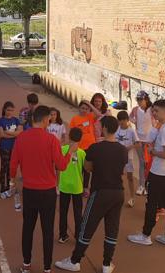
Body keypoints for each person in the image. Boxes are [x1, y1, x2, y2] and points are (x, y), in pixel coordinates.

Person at [55, 116, 128, 273]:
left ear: (105, 128)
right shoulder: (122, 149)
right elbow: (121, 171)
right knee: (112, 228)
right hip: (118, 193)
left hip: (100, 192)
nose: (97, 128)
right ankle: (107, 264)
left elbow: (88, 168)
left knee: (86, 226)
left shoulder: (95, 148)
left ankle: (75, 260)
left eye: (99, 126)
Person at [10, 106, 78, 273]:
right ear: (46, 119)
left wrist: (14, 183)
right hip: (47, 192)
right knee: (47, 230)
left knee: (28, 228)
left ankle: (26, 264)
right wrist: (70, 151)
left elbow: (12, 167)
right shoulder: (51, 140)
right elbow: (61, 166)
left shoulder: (21, 138)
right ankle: (47, 267)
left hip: (29, 190)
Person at [127, 99, 165, 248]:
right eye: (153, 111)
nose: (154, 114)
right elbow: (150, 138)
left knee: (151, 203)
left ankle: (145, 235)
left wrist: (152, 151)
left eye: (156, 111)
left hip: (159, 173)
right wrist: (156, 127)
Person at [57, 128, 86, 244]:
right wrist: (85, 186)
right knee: (78, 213)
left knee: (63, 211)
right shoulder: (82, 153)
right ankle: (78, 235)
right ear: (81, 138)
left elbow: (58, 166)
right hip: (77, 186)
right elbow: (86, 171)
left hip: (64, 186)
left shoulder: (63, 149)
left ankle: (62, 235)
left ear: (69, 137)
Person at [129, 90, 154, 195]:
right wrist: (134, 121)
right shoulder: (135, 110)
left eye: (141, 100)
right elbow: (130, 117)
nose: (139, 102)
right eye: (138, 100)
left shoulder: (152, 110)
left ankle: (148, 185)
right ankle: (141, 185)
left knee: (149, 163)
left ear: (146, 99)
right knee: (142, 162)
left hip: (150, 141)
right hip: (139, 140)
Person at [69, 101, 96, 196]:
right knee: (76, 166)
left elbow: (98, 114)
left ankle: (85, 188)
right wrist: (71, 147)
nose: (84, 110)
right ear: (79, 108)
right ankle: (78, 186)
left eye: (86, 109)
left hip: (90, 147)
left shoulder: (90, 117)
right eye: (82, 108)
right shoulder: (74, 119)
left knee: (87, 168)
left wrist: (89, 104)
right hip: (78, 148)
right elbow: (71, 134)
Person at [0, 101, 22, 199]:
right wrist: (13, 134)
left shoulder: (16, 120)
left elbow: (19, 133)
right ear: (4, 110)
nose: (10, 112)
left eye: (12, 110)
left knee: (11, 168)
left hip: (14, 147)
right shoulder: (0, 121)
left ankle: (9, 187)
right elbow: (2, 135)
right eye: (8, 110)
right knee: (4, 167)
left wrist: (8, 132)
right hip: (4, 147)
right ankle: (3, 188)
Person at [116, 110, 139, 208]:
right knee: (117, 176)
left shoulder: (131, 131)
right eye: (120, 120)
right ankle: (117, 197)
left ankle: (132, 197)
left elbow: (138, 143)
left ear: (127, 120)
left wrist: (129, 147)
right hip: (117, 157)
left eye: (123, 120)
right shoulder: (116, 130)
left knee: (130, 177)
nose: (121, 122)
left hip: (128, 158)